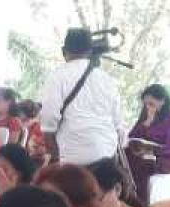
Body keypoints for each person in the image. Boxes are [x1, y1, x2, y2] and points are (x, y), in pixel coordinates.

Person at [39, 28, 125, 165]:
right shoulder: (107, 79)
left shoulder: (57, 77)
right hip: (106, 155)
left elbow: (48, 120)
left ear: (63, 51)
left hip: (73, 156)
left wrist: (56, 157)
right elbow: (119, 125)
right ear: (91, 51)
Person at [125, 84, 170, 204]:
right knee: (125, 156)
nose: (148, 107)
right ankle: (126, 196)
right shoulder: (145, 115)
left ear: (162, 101)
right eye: (145, 104)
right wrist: (146, 123)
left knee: (144, 164)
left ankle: (141, 203)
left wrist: (154, 151)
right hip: (142, 153)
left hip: (164, 157)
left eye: (151, 104)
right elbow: (132, 137)